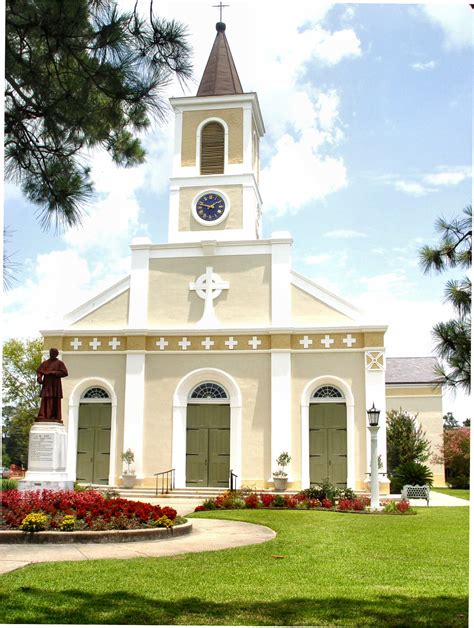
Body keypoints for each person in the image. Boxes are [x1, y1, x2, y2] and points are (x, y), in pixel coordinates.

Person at [36, 348, 68, 422]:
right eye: (51, 352)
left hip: (55, 384)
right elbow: (39, 371)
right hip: (47, 383)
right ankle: (43, 415)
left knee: (55, 398)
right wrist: (39, 378)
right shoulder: (45, 363)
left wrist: (54, 373)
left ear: (56, 354)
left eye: (54, 353)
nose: (52, 354)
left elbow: (65, 373)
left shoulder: (60, 363)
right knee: (45, 398)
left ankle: (54, 415)